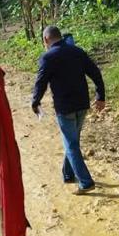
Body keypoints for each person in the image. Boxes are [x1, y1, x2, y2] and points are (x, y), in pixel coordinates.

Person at [32, 25, 106, 194]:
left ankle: (86, 182)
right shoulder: (77, 51)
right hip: (82, 105)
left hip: (65, 108)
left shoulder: (48, 57)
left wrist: (35, 102)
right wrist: (100, 96)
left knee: (71, 144)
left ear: (46, 39)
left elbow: (41, 82)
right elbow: (96, 73)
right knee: (72, 141)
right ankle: (68, 174)